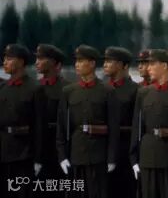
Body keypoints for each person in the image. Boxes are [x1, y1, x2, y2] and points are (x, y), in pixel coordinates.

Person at [56, 45, 120, 198]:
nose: (77, 65)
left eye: (81, 61)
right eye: (76, 61)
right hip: (76, 154)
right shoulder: (69, 91)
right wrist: (62, 155)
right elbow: (62, 126)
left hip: (98, 155)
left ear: (92, 64)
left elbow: (114, 128)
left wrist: (111, 158)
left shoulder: (107, 91)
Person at [130, 49, 168, 198]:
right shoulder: (143, 93)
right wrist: (133, 158)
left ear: (164, 66)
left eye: (152, 64)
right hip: (147, 157)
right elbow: (137, 127)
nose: (148, 68)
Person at [1, 44, 41, 198]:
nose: (5, 62)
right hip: (3, 151)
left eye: (9, 59)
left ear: (21, 62)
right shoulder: (2, 87)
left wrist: (38, 158)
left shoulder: (34, 88)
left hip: (23, 153)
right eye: (4, 58)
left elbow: (39, 126)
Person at [34, 43, 69, 198]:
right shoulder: (34, 87)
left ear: (56, 64)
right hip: (36, 147)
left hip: (58, 149)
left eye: (41, 59)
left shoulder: (67, 89)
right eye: (37, 58)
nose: (37, 62)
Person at [103, 46, 138, 198]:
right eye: (105, 61)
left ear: (124, 65)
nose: (105, 64)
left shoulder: (136, 90)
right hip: (101, 150)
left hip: (124, 152)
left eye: (110, 61)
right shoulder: (101, 88)